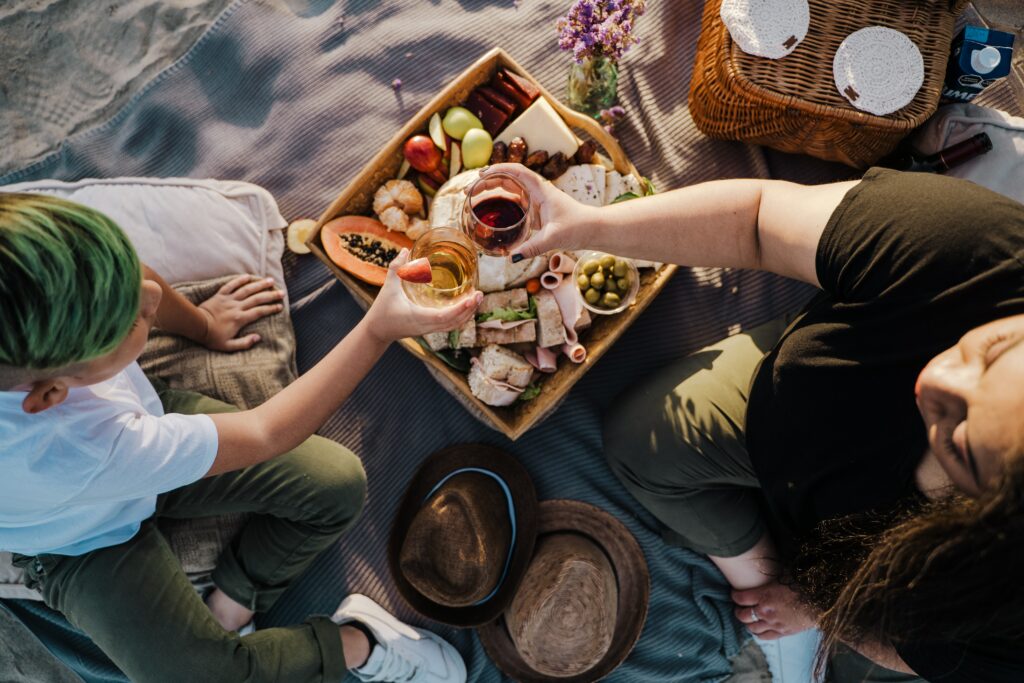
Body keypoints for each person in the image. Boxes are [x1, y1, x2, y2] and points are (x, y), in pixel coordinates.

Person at [486, 164, 1024, 682]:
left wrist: (825, 605)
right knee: (636, 438)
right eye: (991, 349)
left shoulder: (997, 617)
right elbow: (759, 220)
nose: (935, 377)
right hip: (781, 410)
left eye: (960, 442)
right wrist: (586, 225)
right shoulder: (975, 246)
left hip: (865, 570)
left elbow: (913, 651)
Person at [0, 193, 479, 683]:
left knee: (336, 484)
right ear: (49, 394)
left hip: (141, 430)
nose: (151, 297)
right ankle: (354, 644)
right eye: (130, 321)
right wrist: (377, 329)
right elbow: (266, 432)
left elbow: (137, 279)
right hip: (81, 540)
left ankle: (233, 599)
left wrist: (204, 324)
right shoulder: (70, 449)